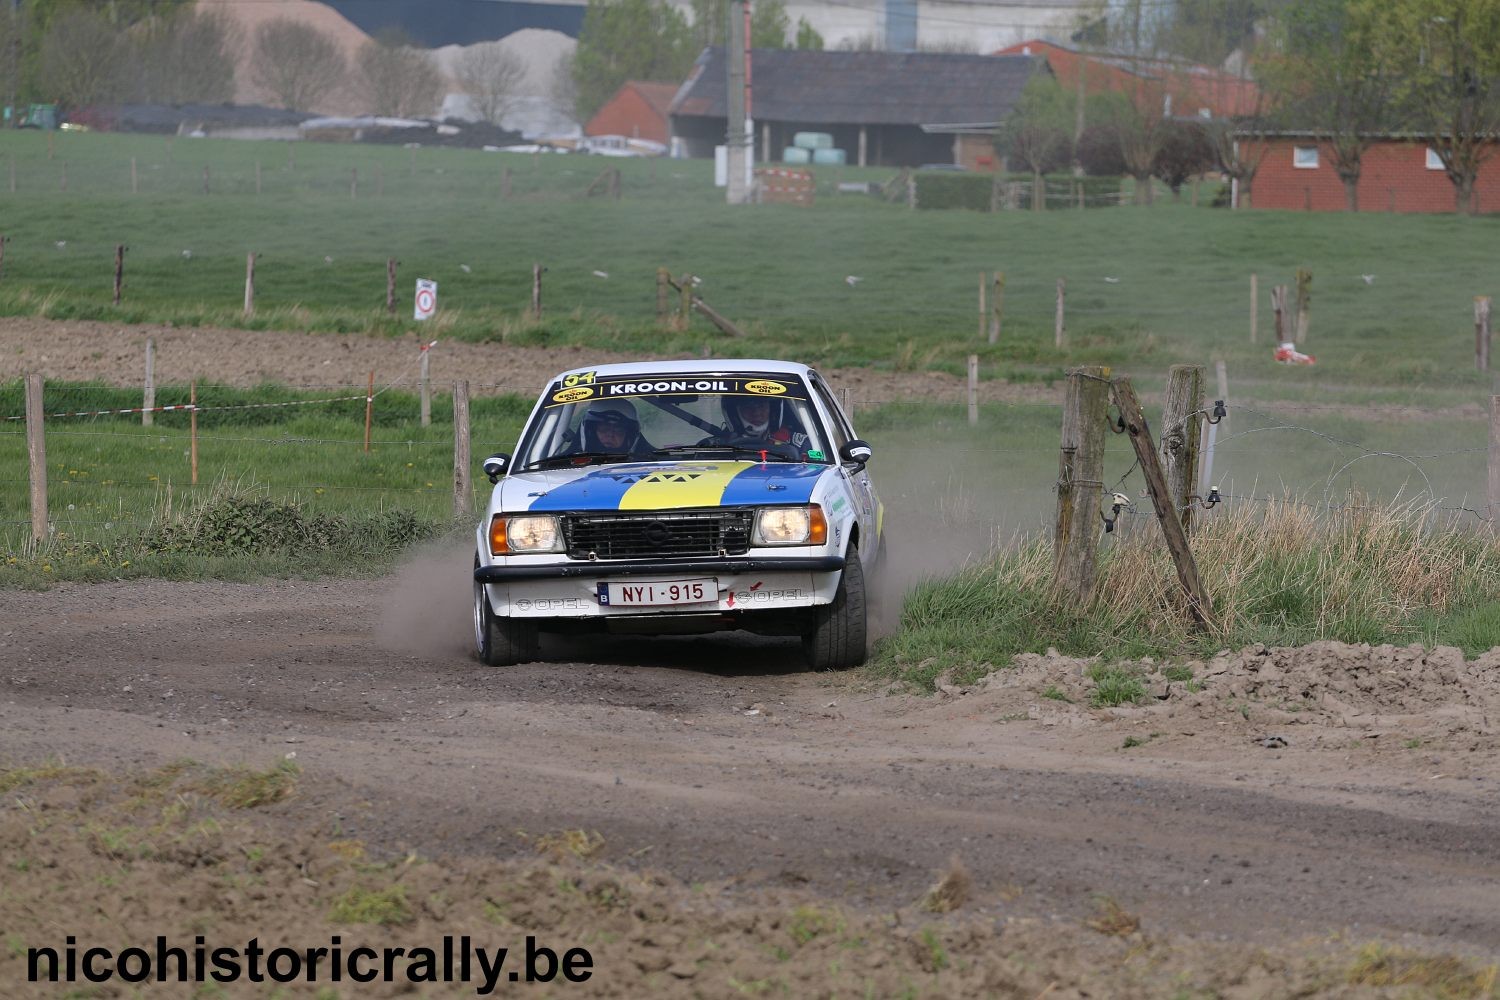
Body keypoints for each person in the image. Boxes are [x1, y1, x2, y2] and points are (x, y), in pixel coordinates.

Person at [714, 395, 811, 456]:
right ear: (734, 413)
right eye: (748, 407)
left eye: (762, 406)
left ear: (773, 410)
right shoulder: (715, 447)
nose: (756, 413)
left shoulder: (801, 444)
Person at [574, 399, 654, 455]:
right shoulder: (566, 463)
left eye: (619, 431)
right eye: (604, 429)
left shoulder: (651, 464)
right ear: (590, 432)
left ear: (629, 437)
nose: (610, 435)